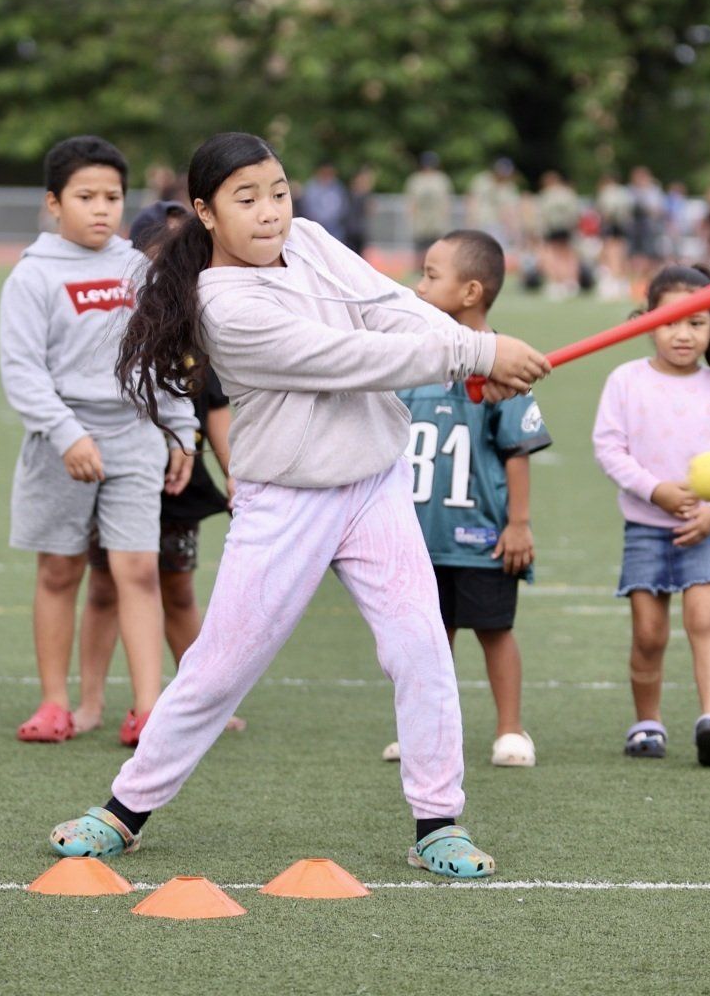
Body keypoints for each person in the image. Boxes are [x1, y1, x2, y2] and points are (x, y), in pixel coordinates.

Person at [46, 132, 552, 879]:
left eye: (278, 192)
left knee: (420, 648)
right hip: (286, 499)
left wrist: (470, 353)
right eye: (247, 199)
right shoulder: (224, 304)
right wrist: (477, 354)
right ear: (206, 212)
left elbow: (388, 309)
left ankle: (438, 822)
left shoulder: (310, 239)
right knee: (219, 669)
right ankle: (126, 810)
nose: (270, 212)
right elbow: (347, 358)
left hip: (375, 483)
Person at [0, 137, 196, 747]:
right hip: (60, 443)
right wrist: (67, 435)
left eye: (112, 197)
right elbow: (22, 371)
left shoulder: (140, 269)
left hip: (135, 435)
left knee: (138, 570)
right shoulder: (33, 275)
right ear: (54, 203)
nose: (101, 208)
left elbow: (161, 357)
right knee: (60, 571)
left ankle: (148, 710)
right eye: (86, 196)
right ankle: (55, 704)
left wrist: (181, 428)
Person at [382, 230, 552, 769]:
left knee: (495, 631)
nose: (419, 286)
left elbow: (518, 450)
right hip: (418, 533)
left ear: (471, 291)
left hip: (480, 535)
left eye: (432, 276)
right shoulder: (415, 359)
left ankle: (510, 729)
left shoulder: (503, 363)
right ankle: (425, 733)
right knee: (427, 641)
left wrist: (518, 524)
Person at [72, 201, 243, 738]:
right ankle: (90, 703)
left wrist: (234, 472)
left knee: (177, 589)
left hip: (179, 477)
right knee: (104, 585)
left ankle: (203, 706)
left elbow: (215, 408)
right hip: (120, 466)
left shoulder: (201, 322)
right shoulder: (117, 319)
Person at [594, 264, 710, 769]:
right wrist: (656, 491)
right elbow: (609, 448)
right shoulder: (626, 381)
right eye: (671, 321)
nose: (683, 333)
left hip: (705, 528)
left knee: (704, 621)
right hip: (646, 527)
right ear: (649, 320)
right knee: (649, 634)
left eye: (696, 322)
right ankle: (647, 723)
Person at [534, 171, 581, 300]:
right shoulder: (568, 193)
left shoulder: (547, 194)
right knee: (568, 254)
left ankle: (556, 281)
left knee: (552, 254)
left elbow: (542, 214)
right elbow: (575, 212)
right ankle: (571, 281)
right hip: (567, 227)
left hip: (553, 228)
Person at [405, 152, 455, 258]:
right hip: (421, 220)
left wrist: (444, 217)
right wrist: (412, 218)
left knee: (437, 247)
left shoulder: (441, 179)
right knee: (420, 248)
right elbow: (412, 201)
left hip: (436, 220)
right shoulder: (416, 179)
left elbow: (446, 201)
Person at [594, 172, 632, 300]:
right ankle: (621, 282)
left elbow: (605, 211)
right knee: (620, 253)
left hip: (611, 226)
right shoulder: (623, 192)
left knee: (612, 253)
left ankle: (615, 281)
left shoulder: (607, 193)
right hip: (621, 226)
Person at [300, 163, 351, 245]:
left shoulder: (338, 187)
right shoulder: (311, 188)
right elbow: (307, 208)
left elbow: (344, 208)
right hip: (315, 230)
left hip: (335, 231)